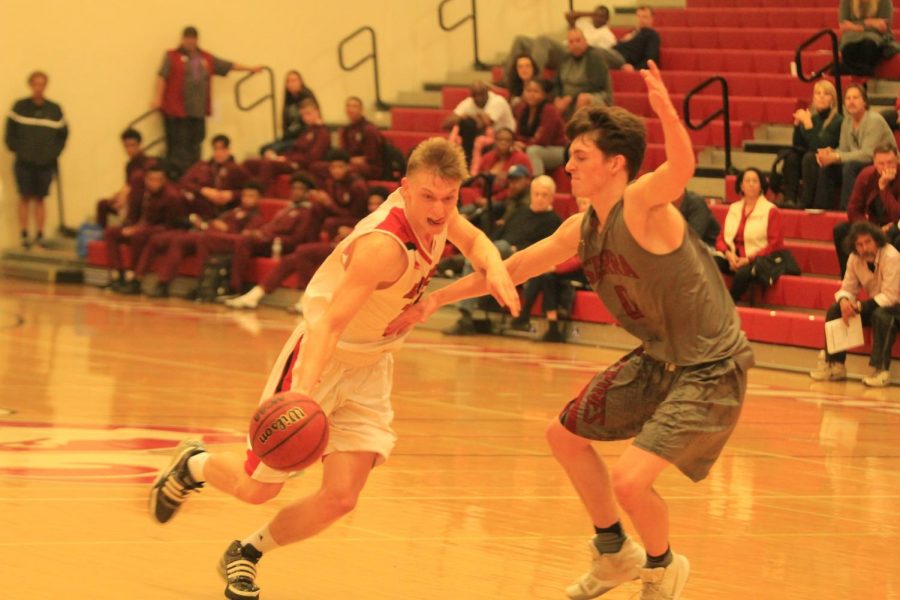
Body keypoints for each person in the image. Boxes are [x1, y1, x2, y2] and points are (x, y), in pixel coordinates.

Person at [388, 62, 754, 600]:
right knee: (563, 436)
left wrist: (669, 114)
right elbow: (510, 269)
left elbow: (680, 167)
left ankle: (662, 567)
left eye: (581, 157)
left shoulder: (642, 204)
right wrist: (434, 300)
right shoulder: (581, 227)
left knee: (630, 480)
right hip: (658, 358)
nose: (569, 166)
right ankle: (614, 554)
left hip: (710, 366)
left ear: (616, 165)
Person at [148, 138, 519, 600]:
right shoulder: (383, 246)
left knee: (342, 497)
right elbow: (329, 325)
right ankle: (194, 464)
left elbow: (474, 238)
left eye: (450, 198)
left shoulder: (441, 212)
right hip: (323, 358)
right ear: (404, 189)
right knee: (256, 489)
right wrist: (301, 394)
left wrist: (494, 265)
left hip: (372, 365)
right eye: (429, 197)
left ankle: (246, 553)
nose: (440, 210)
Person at [225, 187, 390, 311]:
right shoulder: (368, 217)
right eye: (371, 203)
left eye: (377, 203)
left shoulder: (388, 219)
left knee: (304, 251)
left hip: (360, 253)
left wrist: (351, 233)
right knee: (290, 260)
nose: (373, 207)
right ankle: (255, 294)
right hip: (343, 247)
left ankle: (306, 298)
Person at [445, 175, 561, 335]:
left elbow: (546, 249)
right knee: (489, 250)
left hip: (519, 258)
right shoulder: (520, 211)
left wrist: (516, 249)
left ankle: (458, 268)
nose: (540, 198)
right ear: (531, 193)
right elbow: (500, 232)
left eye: (544, 195)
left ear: (552, 197)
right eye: (537, 193)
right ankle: (465, 312)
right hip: (500, 252)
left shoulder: (554, 221)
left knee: (497, 249)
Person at [151, 26, 261, 178]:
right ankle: (177, 177)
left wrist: (250, 68)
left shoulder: (206, 58)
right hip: (176, 110)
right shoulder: (171, 56)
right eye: (187, 38)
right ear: (182, 39)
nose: (189, 41)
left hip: (198, 111)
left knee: (195, 145)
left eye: (192, 38)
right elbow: (162, 76)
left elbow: (227, 65)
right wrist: (157, 98)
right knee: (178, 147)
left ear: (197, 40)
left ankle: (193, 175)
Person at [810, 221, 900, 387]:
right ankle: (835, 365)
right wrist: (845, 301)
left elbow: (891, 297)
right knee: (836, 309)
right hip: (877, 305)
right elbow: (847, 288)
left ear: (877, 240)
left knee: (882, 315)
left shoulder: (892, 256)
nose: (864, 248)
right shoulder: (854, 258)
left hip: (896, 307)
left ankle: (881, 370)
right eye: (859, 244)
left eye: (868, 242)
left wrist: (858, 307)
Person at [145, 181, 265, 298]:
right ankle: (163, 282)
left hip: (224, 241)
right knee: (180, 240)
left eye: (251, 196)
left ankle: (202, 284)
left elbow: (244, 237)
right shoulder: (234, 211)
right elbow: (216, 222)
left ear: (259, 199)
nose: (247, 199)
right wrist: (205, 225)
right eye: (245, 195)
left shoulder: (256, 217)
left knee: (204, 239)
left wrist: (226, 229)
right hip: (210, 233)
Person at [4, 70, 68, 249]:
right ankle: (24, 234)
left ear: (46, 85)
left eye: (42, 84)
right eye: (35, 84)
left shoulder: (54, 110)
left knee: (40, 198)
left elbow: (63, 135)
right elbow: (10, 133)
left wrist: (52, 153)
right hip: (24, 162)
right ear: (30, 85)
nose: (39, 87)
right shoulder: (20, 107)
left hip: (45, 163)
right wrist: (18, 150)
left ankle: (40, 234)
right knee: (24, 196)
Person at [104, 164, 183, 294]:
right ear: (146, 179)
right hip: (140, 227)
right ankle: (117, 275)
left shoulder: (171, 196)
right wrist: (131, 227)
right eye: (151, 179)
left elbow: (170, 226)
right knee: (111, 232)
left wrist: (140, 229)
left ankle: (134, 278)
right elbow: (139, 216)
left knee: (138, 236)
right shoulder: (144, 193)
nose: (154, 183)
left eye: (158, 180)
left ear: (164, 180)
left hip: (158, 231)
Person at [814, 84, 896, 210]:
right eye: (848, 98)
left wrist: (836, 156)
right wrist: (830, 153)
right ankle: (821, 209)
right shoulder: (847, 121)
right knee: (828, 167)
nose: (851, 102)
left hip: (881, 164)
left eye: (855, 98)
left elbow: (867, 154)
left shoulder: (874, 120)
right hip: (857, 162)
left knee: (850, 166)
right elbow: (844, 149)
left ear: (864, 101)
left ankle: (847, 210)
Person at [714, 169, 785, 302]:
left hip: (756, 259)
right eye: (747, 181)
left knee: (743, 273)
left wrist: (748, 259)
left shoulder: (771, 210)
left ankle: (729, 304)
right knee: (710, 262)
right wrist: (729, 255)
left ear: (761, 186)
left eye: (755, 181)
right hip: (733, 256)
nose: (751, 184)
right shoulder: (733, 208)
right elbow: (721, 239)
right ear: (741, 186)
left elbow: (775, 244)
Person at [833, 145, 900, 276]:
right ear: (874, 163)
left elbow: (898, 214)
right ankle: (848, 277)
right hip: (872, 225)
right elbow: (853, 209)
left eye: (890, 162)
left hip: (895, 226)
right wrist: (870, 229)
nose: (886, 167)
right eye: (881, 163)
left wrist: (883, 188)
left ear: (897, 160)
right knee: (841, 230)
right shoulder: (866, 175)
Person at [781, 80, 843, 209]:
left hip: (827, 159)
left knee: (809, 156)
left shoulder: (837, 120)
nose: (821, 96)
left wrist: (808, 125)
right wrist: (797, 125)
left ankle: (806, 200)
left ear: (832, 99)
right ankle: (789, 199)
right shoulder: (813, 117)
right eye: (818, 93)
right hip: (810, 158)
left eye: (826, 94)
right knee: (792, 157)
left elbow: (820, 146)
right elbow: (798, 144)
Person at [443, 81, 516, 165]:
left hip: (505, 135)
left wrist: (470, 116)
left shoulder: (497, 101)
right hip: (483, 136)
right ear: (472, 95)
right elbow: (446, 124)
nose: (479, 98)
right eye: (476, 95)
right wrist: (461, 117)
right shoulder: (468, 103)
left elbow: (485, 123)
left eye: (481, 94)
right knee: (465, 126)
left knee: (474, 133)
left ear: (487, 92)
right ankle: (466, 164)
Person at [95, 129, 156, 228]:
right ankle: (102, 235)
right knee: (103, 204)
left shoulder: (147, 163)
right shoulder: (129, 165)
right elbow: (127, 185)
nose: (129, 149)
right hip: (128, 199)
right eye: (126, 146)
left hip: (138, 203)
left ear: (139, 145)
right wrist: (117, 196)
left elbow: (139, 187)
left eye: (133, 145)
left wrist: (125, 198)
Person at [555, 29, 613, 119]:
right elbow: (557, 82)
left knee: (583, 98)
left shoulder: (595, 57)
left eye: (578, 40)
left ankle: (577, 129)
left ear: (585, 41)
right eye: (571, 42)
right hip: (568, 98)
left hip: (596, 96)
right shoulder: (565, 59)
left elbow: (595, 85)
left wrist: (570, 97)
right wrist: (557, 97)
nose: (575, 44)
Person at [514, 79, 569, 176]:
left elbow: (543, 140)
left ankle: (538, 183)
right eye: (528, 91)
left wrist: (524, 145)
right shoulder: (521, 108)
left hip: (558, 149)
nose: (531, 94)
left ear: (544, 95)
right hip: (535, 146)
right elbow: (517, 134)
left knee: (533, 151)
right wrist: (518, 143)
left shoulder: (550, 110)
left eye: (536, 91)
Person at [259, 70, 318, 155]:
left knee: (273, 150)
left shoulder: (307, 98)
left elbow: (310, 123)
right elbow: (286, 123)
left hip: (302, 137)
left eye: (294, 80)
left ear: (301, 82)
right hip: (289, 136)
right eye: (288, 81)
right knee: (263, 149)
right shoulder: (288, 100)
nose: (291, 84)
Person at [838, 0, 897, 76]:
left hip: (875, 38)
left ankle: (846, 70)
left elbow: (883, 27)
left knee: (868, 45)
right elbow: (843, 25)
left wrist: (854, 26)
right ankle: (863, 73)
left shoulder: (885, 1)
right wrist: (868, 22)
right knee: (849, 47)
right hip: (850, 37)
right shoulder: (847, 1)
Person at [598, 5, 661, 72]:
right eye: (639, 16)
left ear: (652, 19)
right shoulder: (633, 33)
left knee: (595, 52)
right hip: (614, 53)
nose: (641, 20)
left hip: (622, 59)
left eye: (645, 17)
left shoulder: (652, 35)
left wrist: (635, 68)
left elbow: (650, 58)